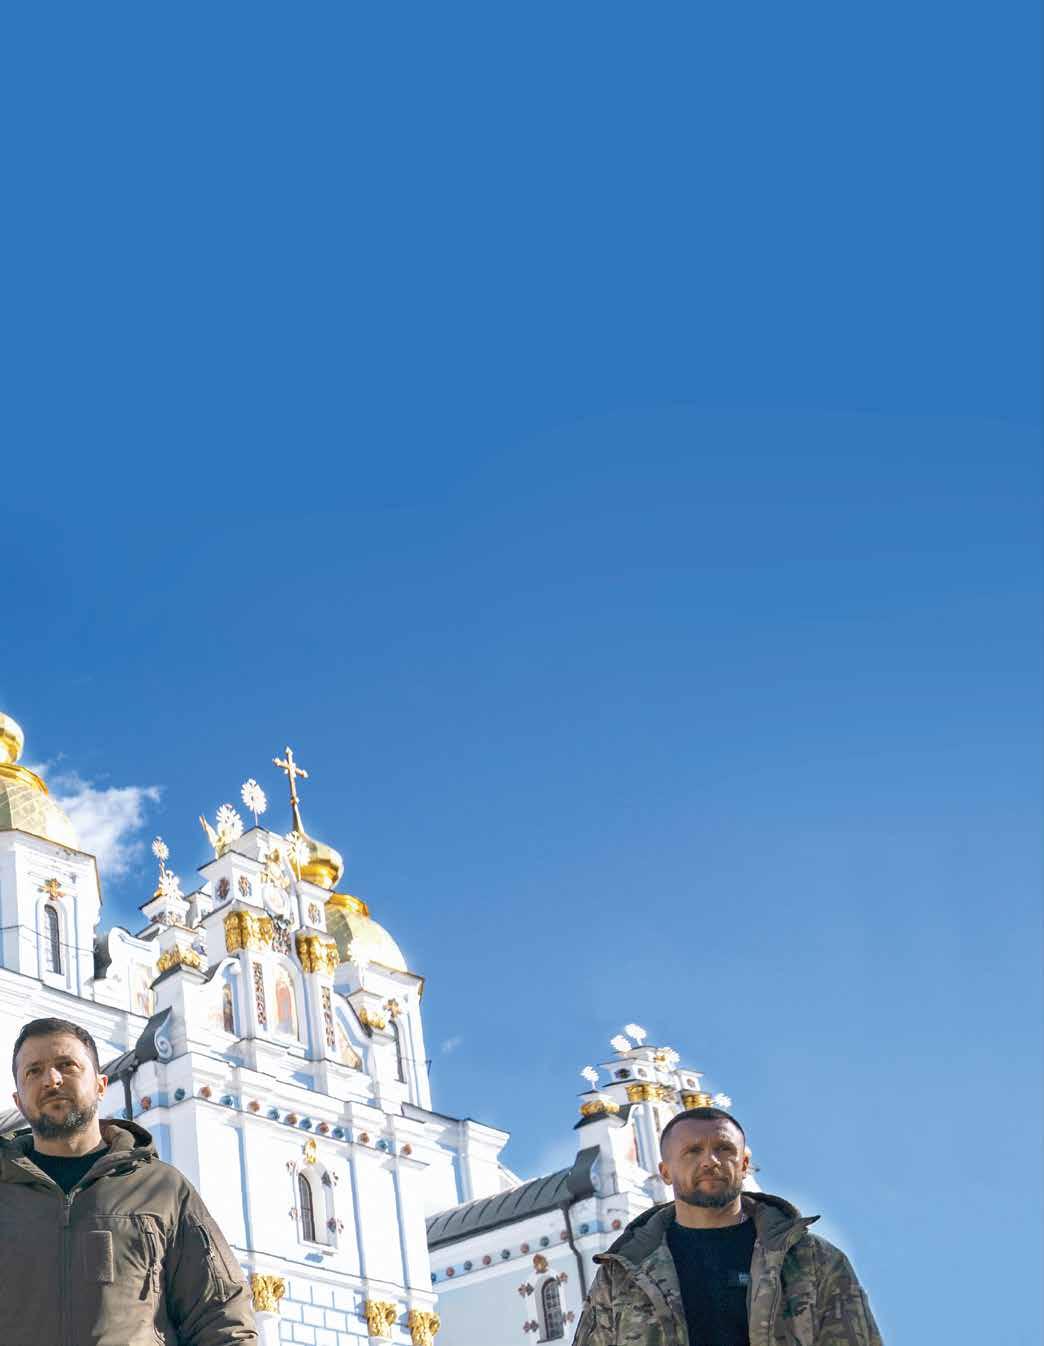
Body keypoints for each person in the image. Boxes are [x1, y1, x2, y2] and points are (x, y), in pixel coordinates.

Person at [1, 1016, 258, 1345]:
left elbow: (222, 1317)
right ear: (18, 1100)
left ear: (100, 1086)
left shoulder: (162, 1190)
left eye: (66, 1065)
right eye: (34, 1071)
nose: (52, 1079)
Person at [573, 1106, 882, 1346]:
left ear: (744, 1164)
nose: (710, 1161)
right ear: (665, 1172)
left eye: (724, 1148)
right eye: (692, 1151)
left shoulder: (812, 1259)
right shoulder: (623, 1274)